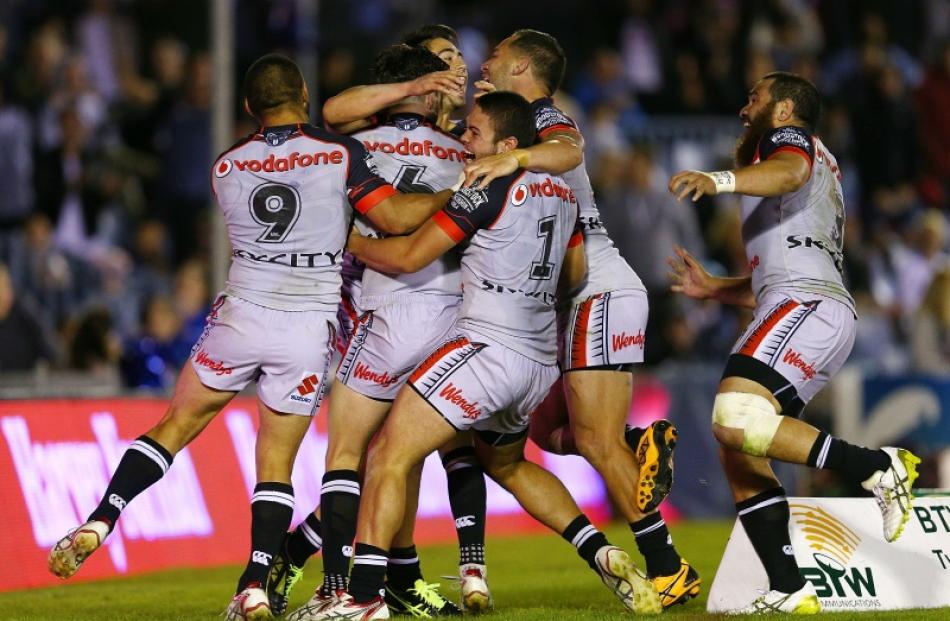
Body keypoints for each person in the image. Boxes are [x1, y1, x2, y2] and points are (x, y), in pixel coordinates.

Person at [47, 53, 452, 621]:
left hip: (240, 313)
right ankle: (255, 582)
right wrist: (459, 193)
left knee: (174, 425)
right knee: (276, 465)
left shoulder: (225, 165)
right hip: (306, 324)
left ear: (247, 108)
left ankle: (103, 517)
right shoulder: (340, 154)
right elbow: (396, 218)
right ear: (304, 95)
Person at [299, 91, 662, 621]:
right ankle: (600, 552)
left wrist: (348, 239)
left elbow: (405, 256)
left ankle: (363, 599)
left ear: (508, 144)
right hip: (538, 360)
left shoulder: (486, 185)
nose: (464, 142)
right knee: (507, 463)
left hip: (487, 349)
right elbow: (576, 276)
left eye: (473, 132)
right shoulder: (563, 194)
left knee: (388, 457)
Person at [667, 71, 920, 614]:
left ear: (783, 109)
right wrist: (716, 289)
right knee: (740, 452)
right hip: (810, 304)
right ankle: (788, 586)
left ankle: (877, 466)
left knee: (733, 416)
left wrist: (721, 180)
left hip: (804, 304)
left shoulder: (787, 142)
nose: (743, 108)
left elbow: (790, 171)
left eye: (754, 98)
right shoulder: (810, 160)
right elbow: (778, 269)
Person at [464, 29, 699, 607]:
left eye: (494, 57)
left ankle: (668, 568)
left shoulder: (546, 117)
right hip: (575, 299)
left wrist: (511, 158)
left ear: (521, 65)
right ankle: (635, 442)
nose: (484, 64)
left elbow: (571, 149)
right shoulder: (516, 123)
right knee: (546, 434)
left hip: (596, 287)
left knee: (592, 439)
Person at [270, 44, 480, 617]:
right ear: (428, 85)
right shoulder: (468, 152)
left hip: (377, 310)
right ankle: (389, 580)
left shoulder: (349, 147)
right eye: (446, 70)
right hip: (449, 316)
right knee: (396, 457)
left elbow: (334, 113)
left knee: (358, 455)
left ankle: (338, 583)